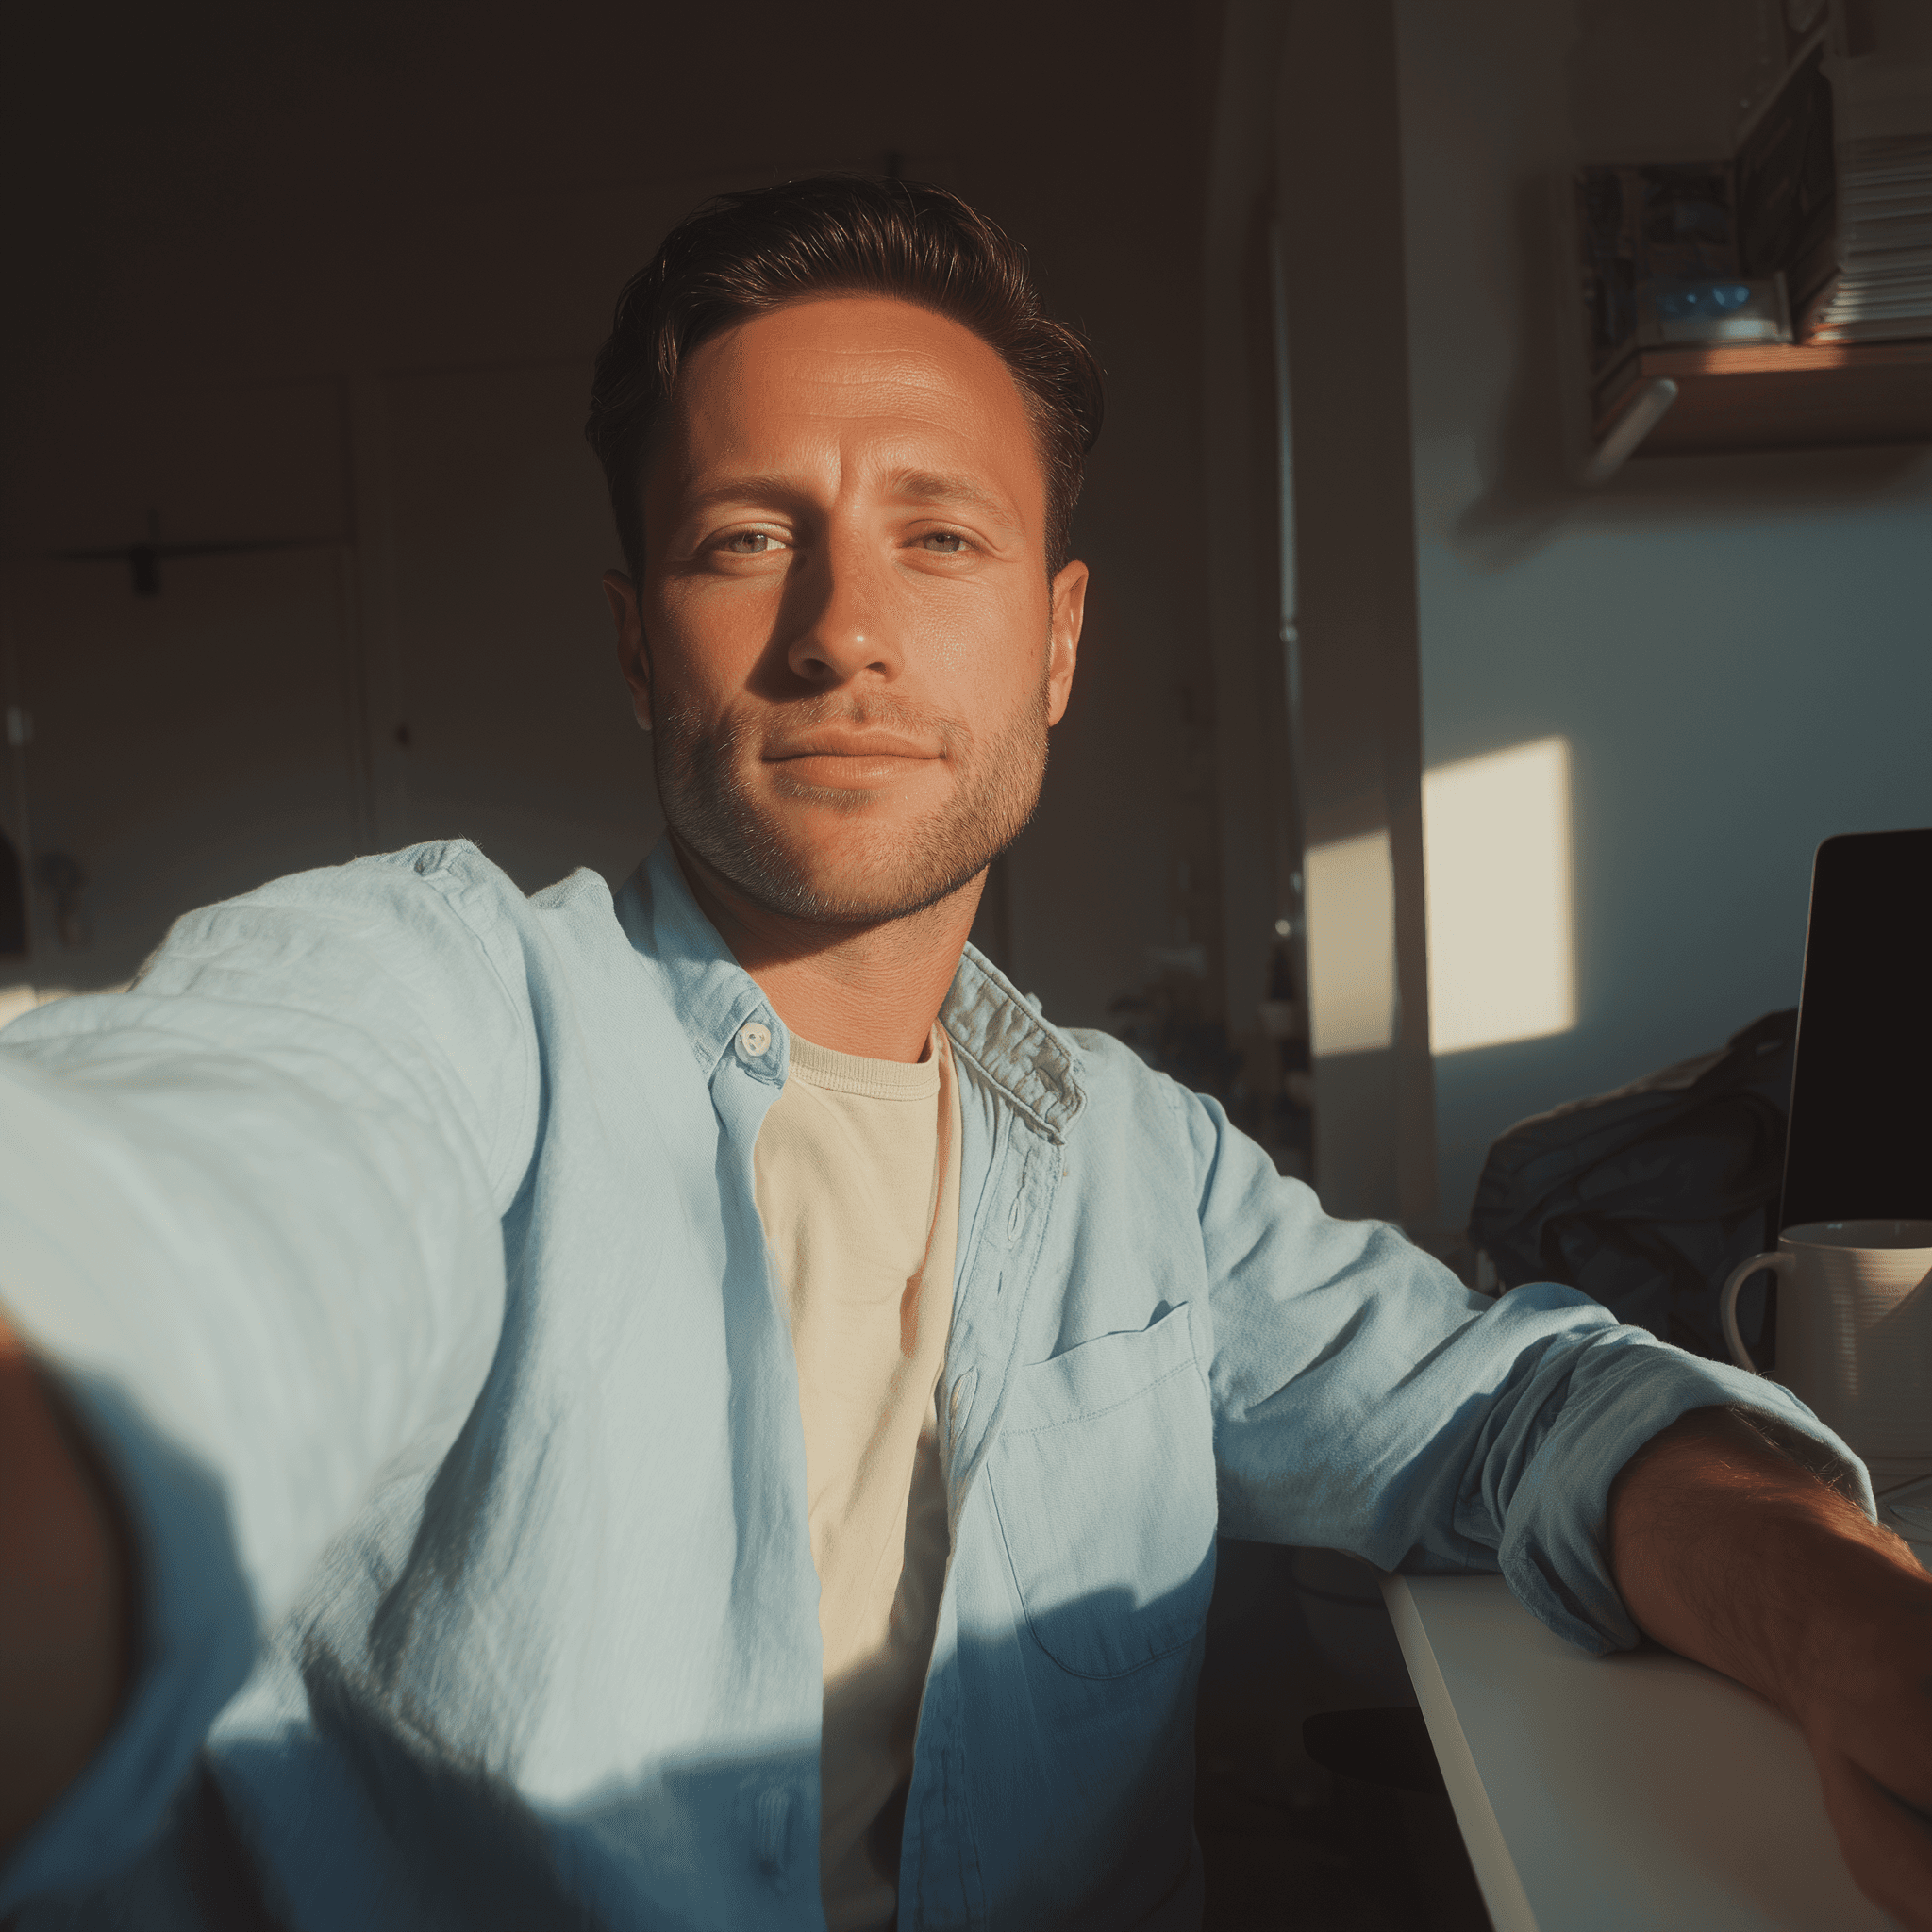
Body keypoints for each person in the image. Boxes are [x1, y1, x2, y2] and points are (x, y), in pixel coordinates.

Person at [0, 176, 1926, 1932]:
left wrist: (1851, 1628)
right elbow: (182, 1215)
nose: (845, 629)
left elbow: (1507, 1408)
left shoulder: (1134, 1166)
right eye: (748, 537)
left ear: (1058, 640)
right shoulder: (451, 1011)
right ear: (632, 641)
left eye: (938, 535)